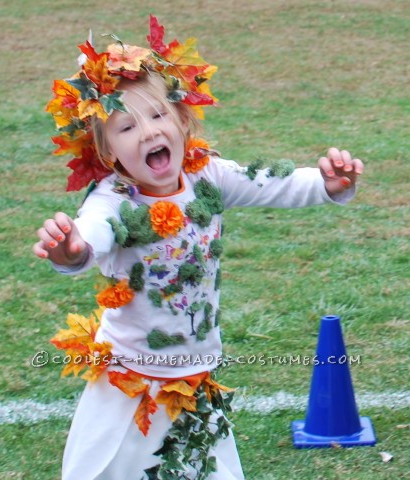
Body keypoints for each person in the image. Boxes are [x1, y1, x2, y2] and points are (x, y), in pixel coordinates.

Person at [33, 15, 364, 480]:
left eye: (156, 115)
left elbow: (270, 182)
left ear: (181, 119)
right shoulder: (112, 199)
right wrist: (73, 251)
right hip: (130, 381)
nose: (147, 132)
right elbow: (93, 233)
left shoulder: (209, 175)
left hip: (194, 377)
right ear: (108, 153)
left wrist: (328, 184)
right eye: (126, 128)